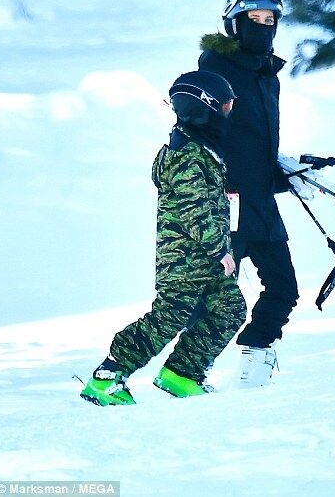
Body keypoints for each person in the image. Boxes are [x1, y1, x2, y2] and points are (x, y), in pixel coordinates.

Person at [80, 70, 246, 405]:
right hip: (184, 258)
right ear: (205, 109)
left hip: (202, 259)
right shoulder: (186, 156)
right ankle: (107, 376)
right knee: (168, 317)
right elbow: (193, 210)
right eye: (225, 107)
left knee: (230, 308)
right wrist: (220, 250)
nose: (229, 114)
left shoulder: (200, 149)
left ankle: (183, 373)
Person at [197, 0, 300, 386]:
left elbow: (252, 138)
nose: (263, 25)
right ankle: (186, 373)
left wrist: (283, 170)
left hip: (259, 201)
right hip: (226, 202)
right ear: (234, 23)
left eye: (269, 19)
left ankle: (254, 368)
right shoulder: (215, 68)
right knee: (213, 299)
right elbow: (199, 132)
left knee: (283, 288)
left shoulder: (266, 74)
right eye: (253, 18)